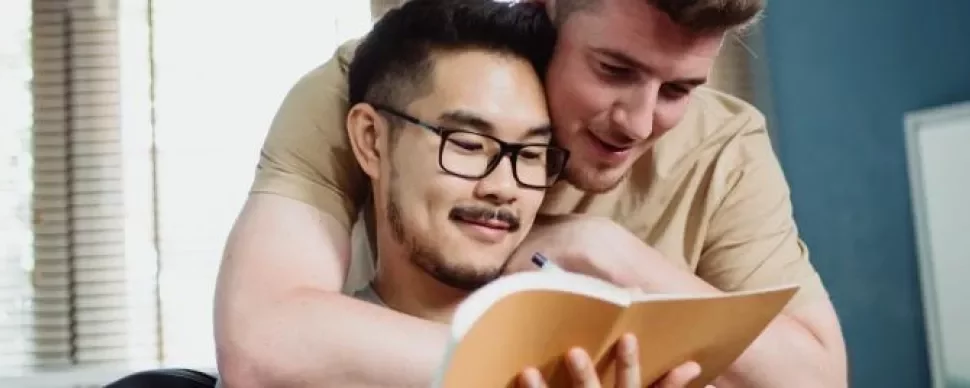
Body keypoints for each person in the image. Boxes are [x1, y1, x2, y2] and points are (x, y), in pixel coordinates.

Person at [215, 0, 849, 387]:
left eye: (680, 89)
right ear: (545, 8)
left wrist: (601, 249)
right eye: (613, 70)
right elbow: (263, 342)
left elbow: (815, 378)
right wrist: (547, 369)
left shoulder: (724, 146)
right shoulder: (393, 81)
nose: (637, 120)